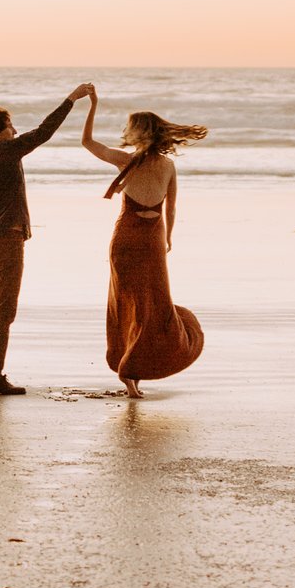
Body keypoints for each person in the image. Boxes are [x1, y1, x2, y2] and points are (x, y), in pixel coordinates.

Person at [0, 83, 94, 396]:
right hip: (6, 238)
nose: (14, 130)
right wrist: (70, 100)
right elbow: (44, 131)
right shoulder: (7, 151)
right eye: (9, 126)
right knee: (5, 310)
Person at [79, 90, 207, 396]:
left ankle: (131, 372)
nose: (126, 132)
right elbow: (171, 208)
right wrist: (168, 237)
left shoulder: (127, 160)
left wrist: (93, 105)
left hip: (127, 237)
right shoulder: (166, 166)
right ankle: (131, 373)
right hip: (150, 238)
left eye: (130, 127)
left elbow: (87, 142)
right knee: (151, 302)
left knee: (130, 301)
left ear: (140, 132)